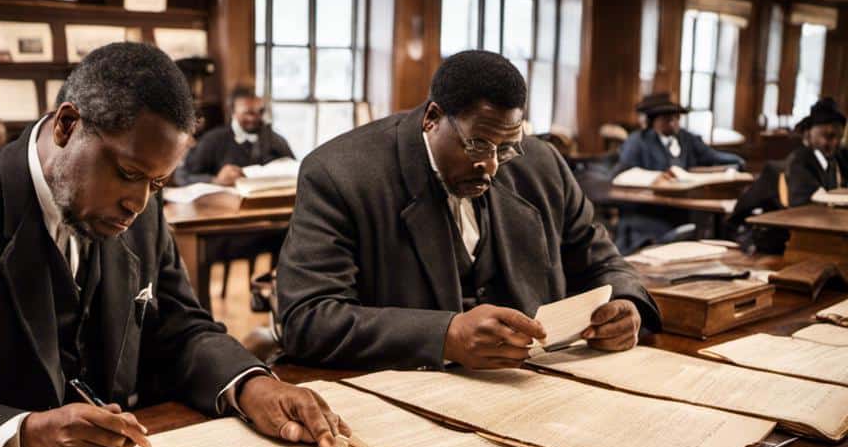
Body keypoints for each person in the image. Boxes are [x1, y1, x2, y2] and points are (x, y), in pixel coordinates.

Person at [0, 43, 348, 447]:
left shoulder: (143, 211)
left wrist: (250, 385)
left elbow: (181, 329)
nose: (139, 203)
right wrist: (24, 434)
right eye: (128, 172)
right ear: (68, 124)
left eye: (157, 183)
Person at [276, 50, 660, 372]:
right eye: (477, 145)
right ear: (432, 118)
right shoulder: (339, 174)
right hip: (406, 389)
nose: (491, 166)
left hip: (534, 384)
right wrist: (446, 336)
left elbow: (605, 263)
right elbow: (309, 319)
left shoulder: (543, 165)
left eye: (507, 146)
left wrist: (628, 305)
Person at [611, 93, 746, 252]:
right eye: (667, 119)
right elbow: (622, 173)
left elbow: (712, 156)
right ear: (654, 121)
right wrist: (654, 178)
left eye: (676, 118)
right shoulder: (638, 141)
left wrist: (738, 162)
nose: (673, 123)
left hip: (682, 207)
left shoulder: (686, 138)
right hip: (647, 210)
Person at [175, 85, 294, 186]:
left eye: (260, 112)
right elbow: (181, 175)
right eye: (248, 113)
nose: (255, 118)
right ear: (232, 112)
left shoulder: (276, 139)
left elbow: (294, 170)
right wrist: (215, 180)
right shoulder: (212, 140)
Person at [784, 97, 847, 206]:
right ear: (808, 135)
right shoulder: (800, 160)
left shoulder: (841, 158)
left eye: (839, 137)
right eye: (829, 136)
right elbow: (811, 196)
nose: (836, 143)